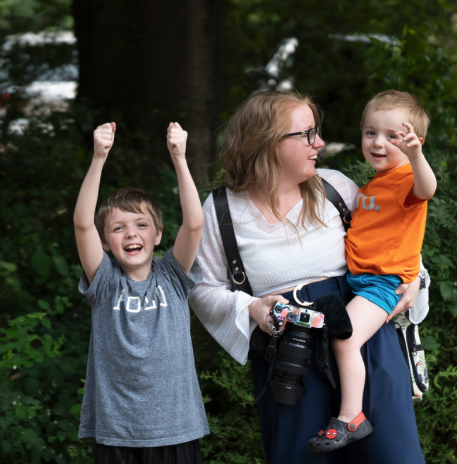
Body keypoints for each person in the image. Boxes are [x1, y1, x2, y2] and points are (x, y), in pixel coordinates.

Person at [189, 90, 429, 464]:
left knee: (391, 456)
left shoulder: (336, 187)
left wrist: (415, 277)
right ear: (267, 143)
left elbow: (393, 239)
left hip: (365, 345)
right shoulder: (222, 209)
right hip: (290, 353)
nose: (319, 143)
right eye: (306, 134)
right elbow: (201, 289)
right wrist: (252, 307)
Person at [308, 90, 436, 452]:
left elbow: (428, 189)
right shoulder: (372, 185)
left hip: (382, 284)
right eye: (370, 133)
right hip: (361, 282)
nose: (378, 143)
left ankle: (352, 417)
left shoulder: (406, 179)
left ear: (413, 142)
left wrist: (416, 157)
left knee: (344, 339)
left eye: (392, 136)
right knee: (343, 338)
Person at [74, 121, 208, 463]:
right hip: (117, 432)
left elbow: (194, 223)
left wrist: (180, 158)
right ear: (106, 242)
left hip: (177, 429)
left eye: (141, 225)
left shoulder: (173, 275)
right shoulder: (104, 281)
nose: (131, 234)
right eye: (118, 228)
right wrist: (98, 158)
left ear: (158, 234)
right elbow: (82, 223)